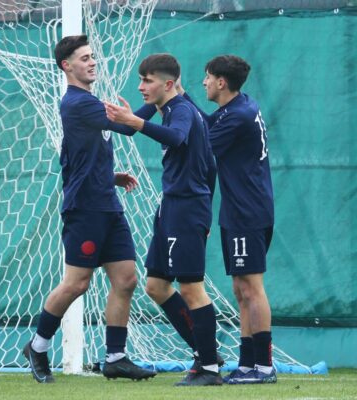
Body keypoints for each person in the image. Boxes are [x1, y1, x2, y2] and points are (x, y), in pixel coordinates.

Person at [22, 34, 157, 383]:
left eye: (92, 56)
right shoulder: (76, 103)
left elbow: (77, 157)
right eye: (84, 58)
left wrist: (109, 177)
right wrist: (159, 99)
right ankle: (37, 346)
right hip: (85, 208)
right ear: (67, 66)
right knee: (77, 283)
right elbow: (128, 128)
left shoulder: (89, 102)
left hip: (107, 204)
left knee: (126, 279)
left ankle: (116, 357)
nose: (92, 62)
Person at [105, 54, 221, 386]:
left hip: (186, 207)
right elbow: (126, 129)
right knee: (156, 286)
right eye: (141, 80)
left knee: (191, 287)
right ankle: (205, 352)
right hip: (171, 206)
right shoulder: (164, 106)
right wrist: (102, 116)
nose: (141, 87)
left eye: (148, 81)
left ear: (168, 84)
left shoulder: (182, 109)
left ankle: (209, 368)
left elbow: (176, 138)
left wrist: (136, 122)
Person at [175, 55, 276, 384]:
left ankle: (264, 366)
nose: (203, 82)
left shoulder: (239, 116)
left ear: (221, 82)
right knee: (240, 288)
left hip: (248, 211)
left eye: (207, 77)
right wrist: (182, 97)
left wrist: (147, 123)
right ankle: (247, 364)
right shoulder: (239, 106)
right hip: (239, 209)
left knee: (252, 287)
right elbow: (206, 125)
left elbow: (199, 143)